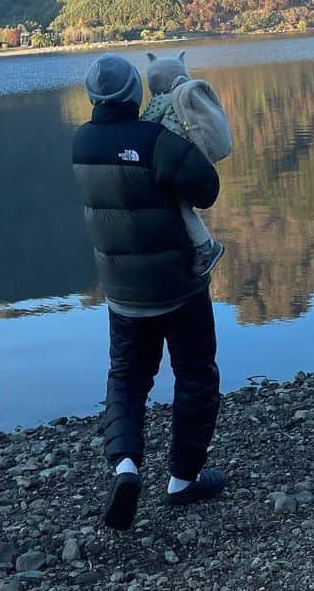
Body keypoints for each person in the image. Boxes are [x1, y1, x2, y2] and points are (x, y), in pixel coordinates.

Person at [71, 53, 227, 530]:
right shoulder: (154, 141)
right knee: (196, 374)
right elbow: (206, 188)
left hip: (121, 293)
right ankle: (182, 479)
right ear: (136, 95)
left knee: (126, 378)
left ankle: (126, 467)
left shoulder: (81, 143)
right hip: (179, 286)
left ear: (94, 99)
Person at [140, 50, 232, 276]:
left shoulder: (162, 100)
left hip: (176, 166)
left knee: (179, 205)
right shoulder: (187, 98)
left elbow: (144, 125)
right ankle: (201, 244)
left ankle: (206, 247)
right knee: (182, 205)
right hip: (193, 162)